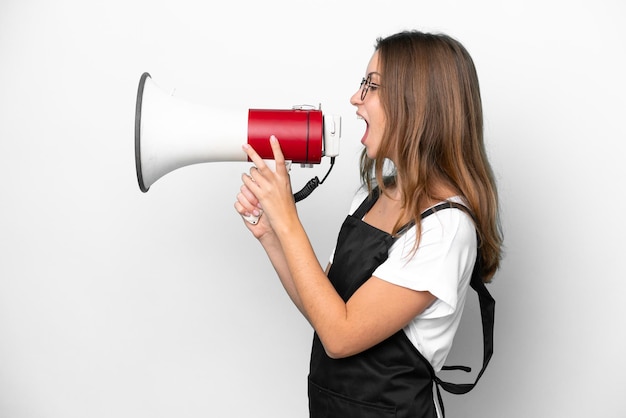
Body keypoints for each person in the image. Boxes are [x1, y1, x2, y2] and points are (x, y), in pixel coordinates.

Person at [234, 30, 502, 418]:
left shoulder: (447, 229)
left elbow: (340, 337)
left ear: (417, 103)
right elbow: (322, 308)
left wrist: (289, 220)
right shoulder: (371, 196)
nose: (355, 98)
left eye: (371, 86)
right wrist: (272, 235)